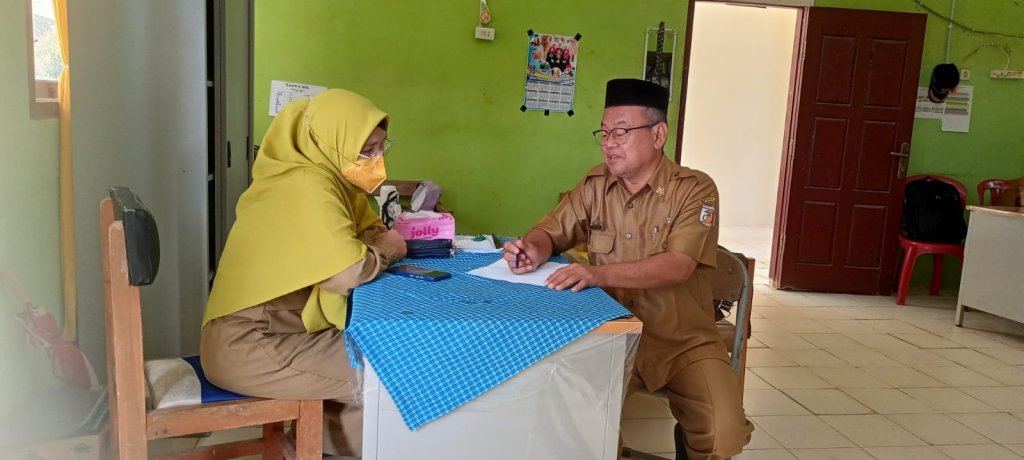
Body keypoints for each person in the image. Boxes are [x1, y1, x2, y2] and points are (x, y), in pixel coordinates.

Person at [502, 78, 752, 460]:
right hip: (611, 336)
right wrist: (533, 249)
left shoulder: (695, 189)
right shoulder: (595, 185)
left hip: (682, 341)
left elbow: (678, 265)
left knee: (724, 436)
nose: (609, 143)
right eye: (603, 133)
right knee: (582, 427)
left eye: (620, 132)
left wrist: (596, 274)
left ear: (658, 135)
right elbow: (550, 231)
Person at [200, 89, 407, 457]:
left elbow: (369, 232)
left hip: (282, 334)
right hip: (254, 345)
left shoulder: (334, 181)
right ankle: (329, 448)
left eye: (380, 147)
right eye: (366, 150)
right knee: (397, 370)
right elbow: (347, 271)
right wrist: (391, 250)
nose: (376, 160)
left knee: (393, 354)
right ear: (332, 142)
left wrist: (376, 245)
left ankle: (314, 447)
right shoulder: (306, 184)